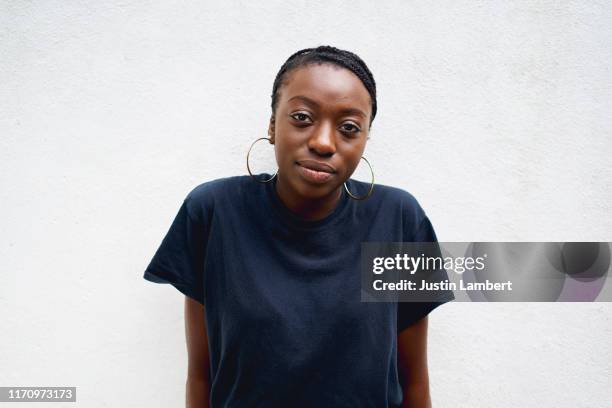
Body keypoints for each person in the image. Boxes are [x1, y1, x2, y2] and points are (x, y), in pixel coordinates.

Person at [143, 45, 454, 408]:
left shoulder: (399, 219)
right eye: (303, 117)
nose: (323, 142)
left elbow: (415, 382)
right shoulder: (213, 213)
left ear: (364, 140)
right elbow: (201, 373)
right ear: (273, 125)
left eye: (349, 127)